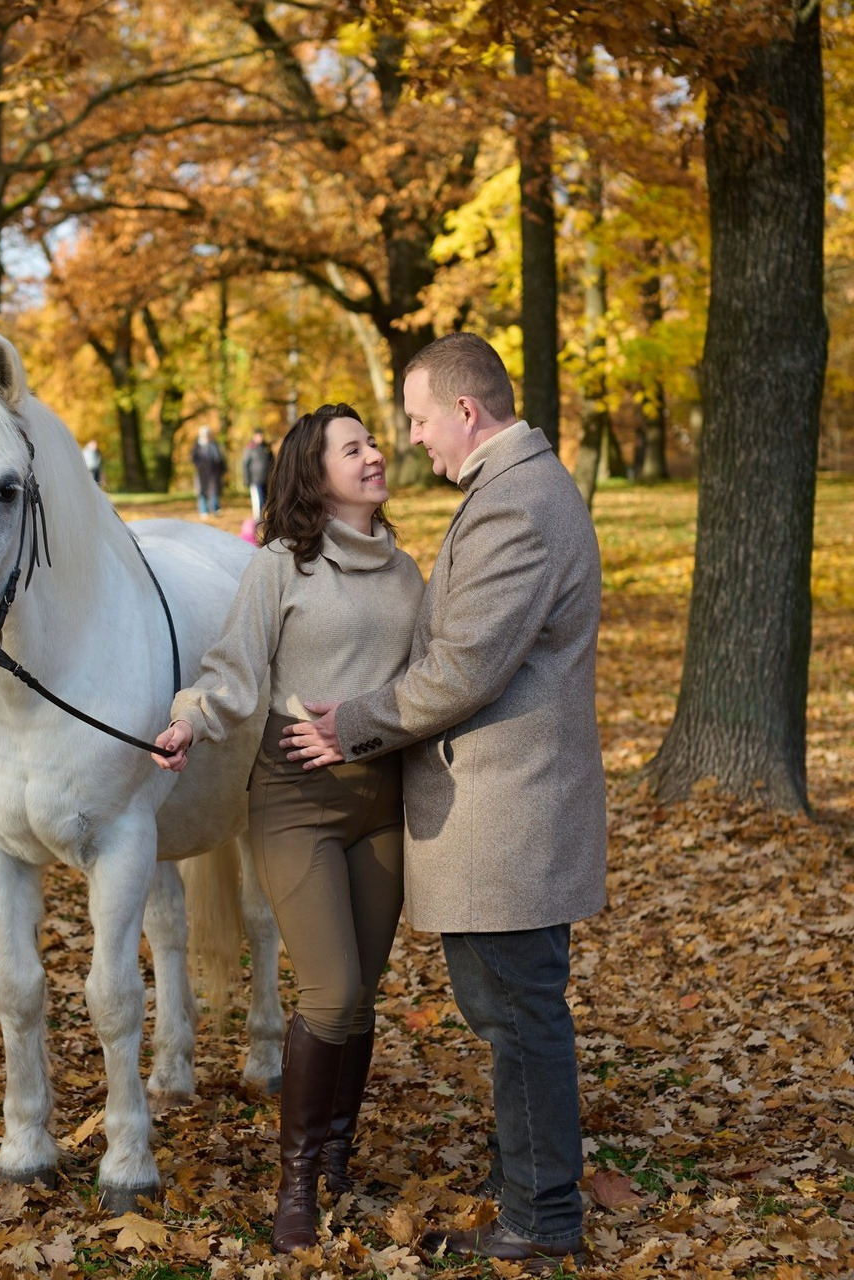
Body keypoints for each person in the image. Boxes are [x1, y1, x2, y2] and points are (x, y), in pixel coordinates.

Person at [281, 333, 607, 1270]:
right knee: (513, 1010)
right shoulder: (513, 492)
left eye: (420, 419)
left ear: (466, 411)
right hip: (507, 803)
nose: (413, 440)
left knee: (517, 1014)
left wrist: (352, 725)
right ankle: (530, 1184)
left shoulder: (518, 506)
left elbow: (462, 670)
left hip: (508, 807)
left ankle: (543, 1217)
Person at [152, 405, 424, 1253]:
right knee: (332, 989)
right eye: (355, 448)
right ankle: (296, 1187)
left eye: (374, 443)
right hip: (296, 797)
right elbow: (232, 671)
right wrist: (190, 720)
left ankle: (338, 1158)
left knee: (363, 990)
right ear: (316, 471)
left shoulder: (408, 572)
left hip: (382, 799)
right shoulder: (279, 568)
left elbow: (423, 685)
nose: (376, 455)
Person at [191, 426, 227, 518]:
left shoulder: (214, 445)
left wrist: (222, 469)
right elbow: (194, 459)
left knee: (214, 491)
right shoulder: (197, 446)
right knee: (202, 492)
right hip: (201, 474)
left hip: (213, 473)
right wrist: (201, 465)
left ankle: (215, 509)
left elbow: (219, 458)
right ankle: (203, 510)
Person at [242, 429, 274, 520]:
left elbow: (272, 462)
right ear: (254, 436)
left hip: (267, 479)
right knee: (258, 500)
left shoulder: (266, 447)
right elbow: (245, 464)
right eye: (258, 435)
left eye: (261, 435)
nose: (260, 437)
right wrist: (246, 479)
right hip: (255, 479)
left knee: (266, 500)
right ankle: (258, 518)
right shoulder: (250, 448)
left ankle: (265, 517)